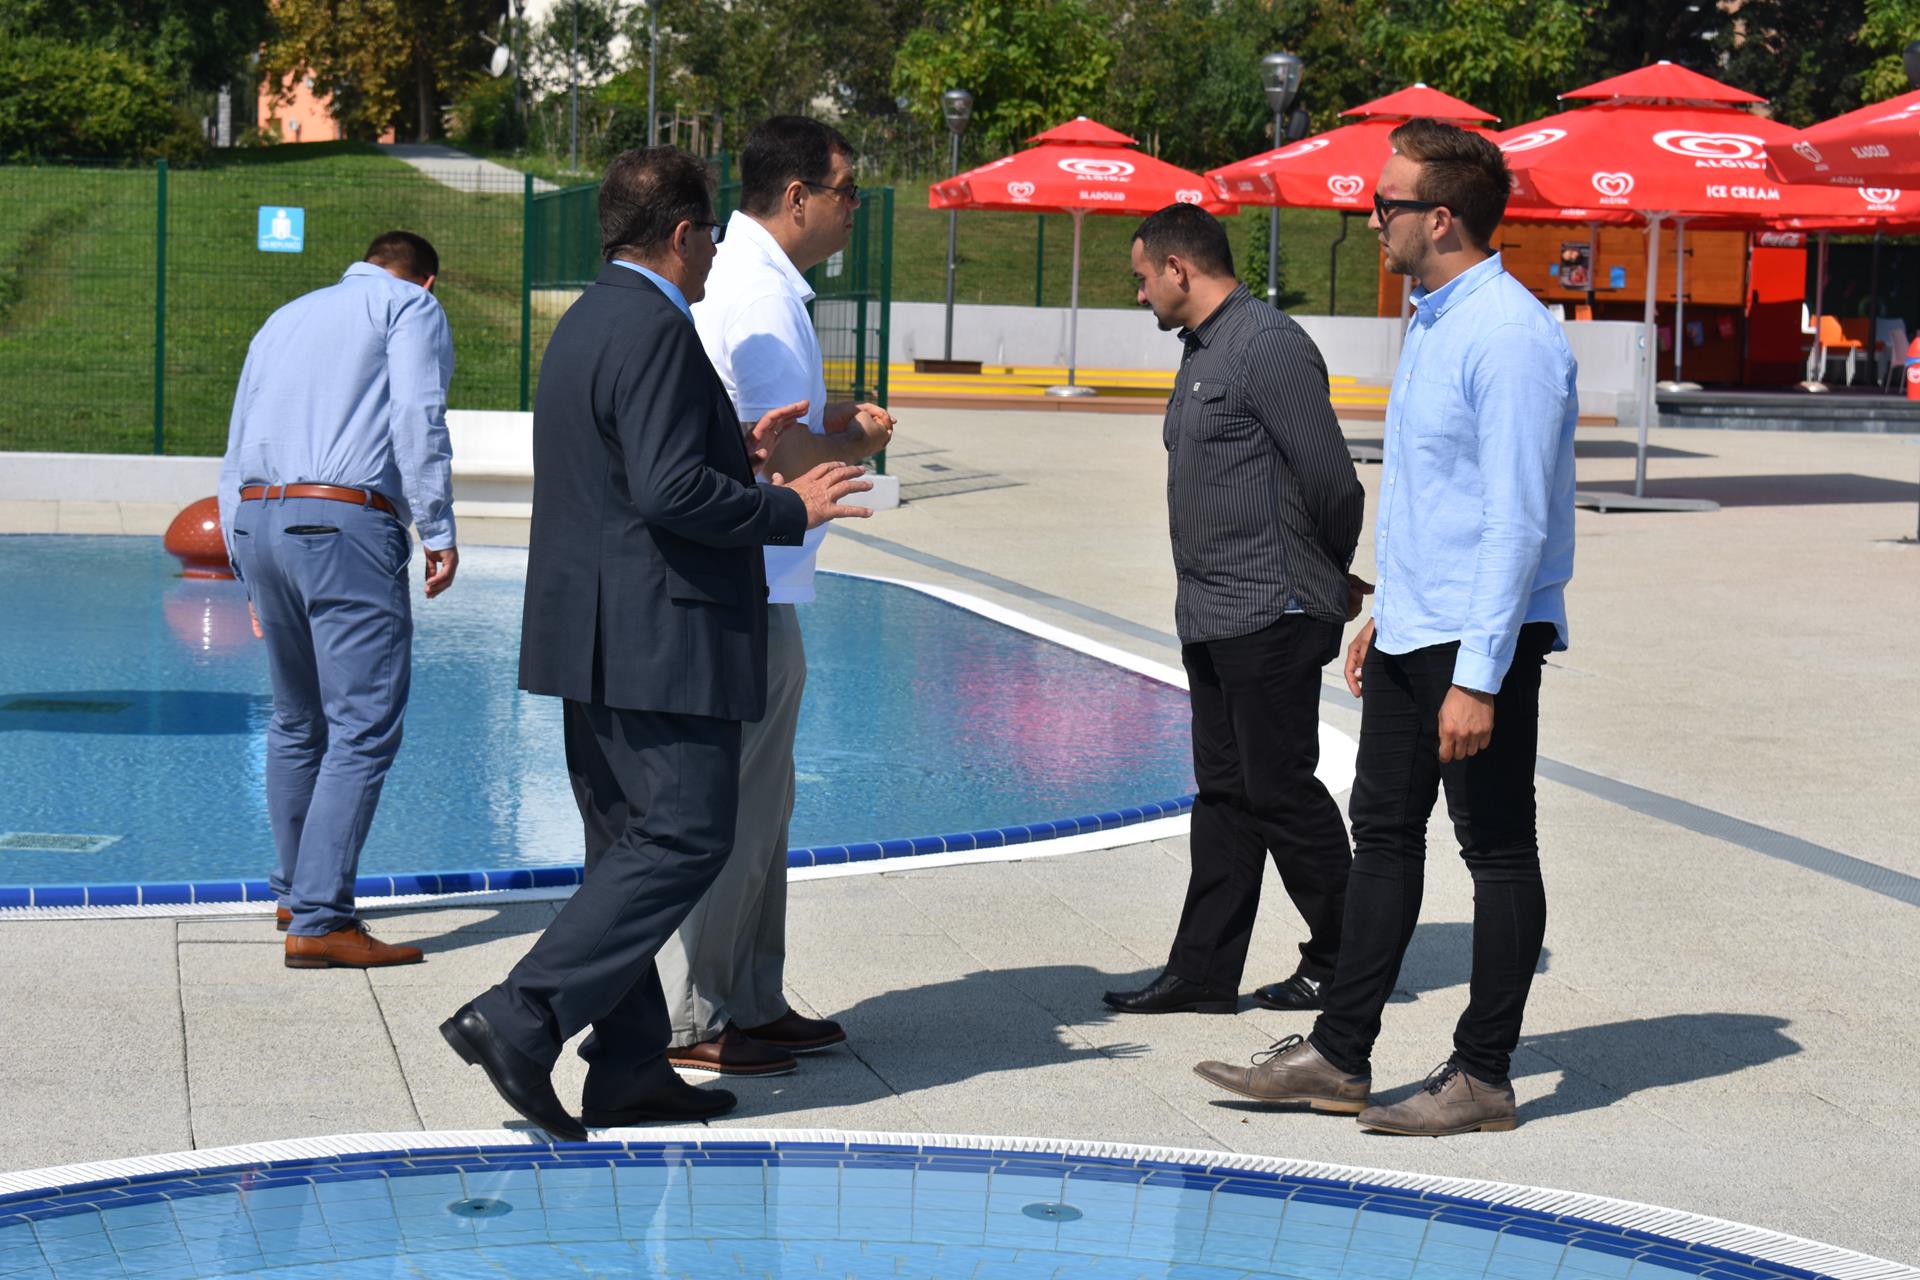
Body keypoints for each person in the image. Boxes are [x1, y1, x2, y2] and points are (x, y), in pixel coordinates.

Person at [439, 147, 874, 1142]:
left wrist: (738, 452)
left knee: (623, 851)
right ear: (681, 235)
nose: (716, 250)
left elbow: (639, 467)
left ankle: (631, 1067)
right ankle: (522, 1013)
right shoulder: (658, 329)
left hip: (594, 635)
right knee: (684, 836)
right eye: (709, 233)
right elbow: (670, 493)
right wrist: (786, 505)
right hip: (660, 637)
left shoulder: (592, 320)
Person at [1195, 118, 1578, 1136]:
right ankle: (1338, 1056)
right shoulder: (1438, 320)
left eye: (1385, 203)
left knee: (1496, 848)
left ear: (1439, 217)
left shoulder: (1508, 335)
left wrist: (1480, 675)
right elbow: (1436, 499)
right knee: (1384, 836)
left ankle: (1483, 1074)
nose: (1372, 219)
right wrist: (1390, 616)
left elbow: (1516, 521)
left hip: (1481, 638)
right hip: (1420, 628)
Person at [662, 115, 896, 1079]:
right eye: (846, 192)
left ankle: (750, 998)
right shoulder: (758, 295)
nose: (855, 208)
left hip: (760, 578)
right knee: (742, 805)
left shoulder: (762, 284)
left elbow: (763, 424)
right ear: (797, 197)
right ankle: (700, 1013)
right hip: (748, 581)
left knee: (767, 802)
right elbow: (784, 457)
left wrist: (828, 419)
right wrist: (858, 446)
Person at [1103, 203, 1366, 1019]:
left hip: (1272, 609)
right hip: (1213, 612)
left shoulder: (1267, 346)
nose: (1140, 294)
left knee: (1278, 788)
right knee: (1223, 793)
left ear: (1178, 269)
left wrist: (1326, 574)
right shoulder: (1203, 348)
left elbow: (1333, 481)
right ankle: (1203, 974)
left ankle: (1348, 960)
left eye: (1143, 278)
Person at [218, 231, 458, 970]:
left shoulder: (283, 316)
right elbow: (417, 415)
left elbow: (235, 445)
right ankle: (321, 918)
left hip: (258, 519)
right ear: (426, 280)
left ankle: (297, 894)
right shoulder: (408, 308)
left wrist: (243, 561)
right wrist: (438, 527)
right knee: (363, 726)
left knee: (297, 721)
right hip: (343, 523)